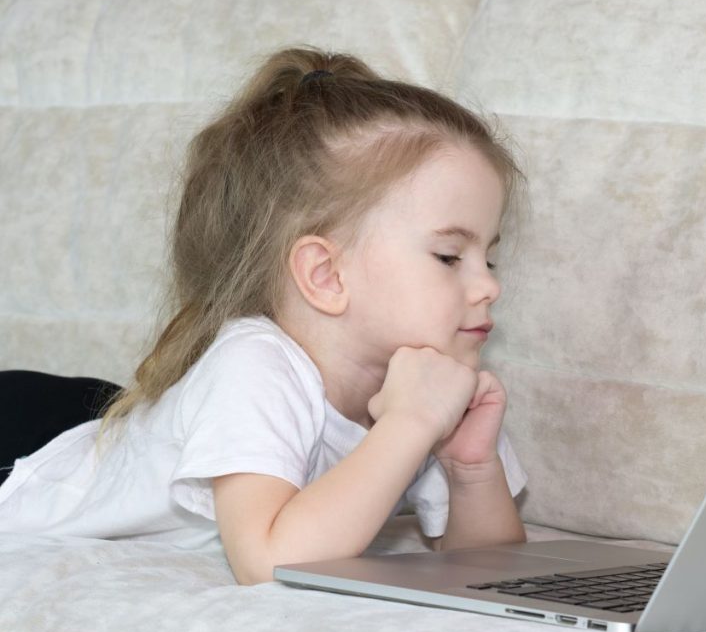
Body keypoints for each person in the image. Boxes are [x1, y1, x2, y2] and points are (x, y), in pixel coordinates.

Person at [0, 47, 529, 584]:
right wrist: (409, 425)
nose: (489, 284)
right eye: (449, 257)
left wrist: (471, 468)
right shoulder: (255, 363)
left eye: (489, 256)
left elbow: (494, 570)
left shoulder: (431, 383)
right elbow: (267, 563)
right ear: (325, 276)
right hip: (23, 446)